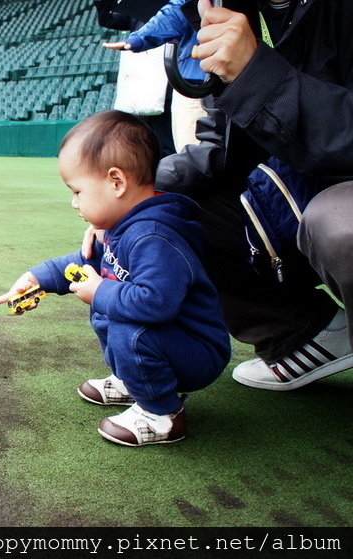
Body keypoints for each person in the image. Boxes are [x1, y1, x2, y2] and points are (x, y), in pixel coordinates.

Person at [0, 110, 231, 446]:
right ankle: (135, 381)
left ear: (116, 182)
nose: (74, 203)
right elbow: (83, 263)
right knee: (110, 304)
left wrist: (100, 290)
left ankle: (162, 415)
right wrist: (37, 278)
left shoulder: (154, 237)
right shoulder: (123, 225)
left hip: (196, 351)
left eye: (77, 191)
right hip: (173, 340)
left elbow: (154, 303)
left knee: (124, 320)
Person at [145, 0, 353, 390]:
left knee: (340, 222)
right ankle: (310, 333)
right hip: (298, 192)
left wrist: (256, 72)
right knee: (167, 211)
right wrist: (139, 191)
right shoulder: (237, 6)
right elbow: (223, 144)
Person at [101, 0, 208, 151]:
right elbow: (176, 12)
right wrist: (140, 38)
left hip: (239, 76)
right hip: (194, 81)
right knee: (193, 152)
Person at [93, 0, 177, 157]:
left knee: (166, 139)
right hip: (140, 82)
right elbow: (107, 20)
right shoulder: (136, 14)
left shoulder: (167, 10)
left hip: (164, 82)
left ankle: (168, 176)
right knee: (142, 139)